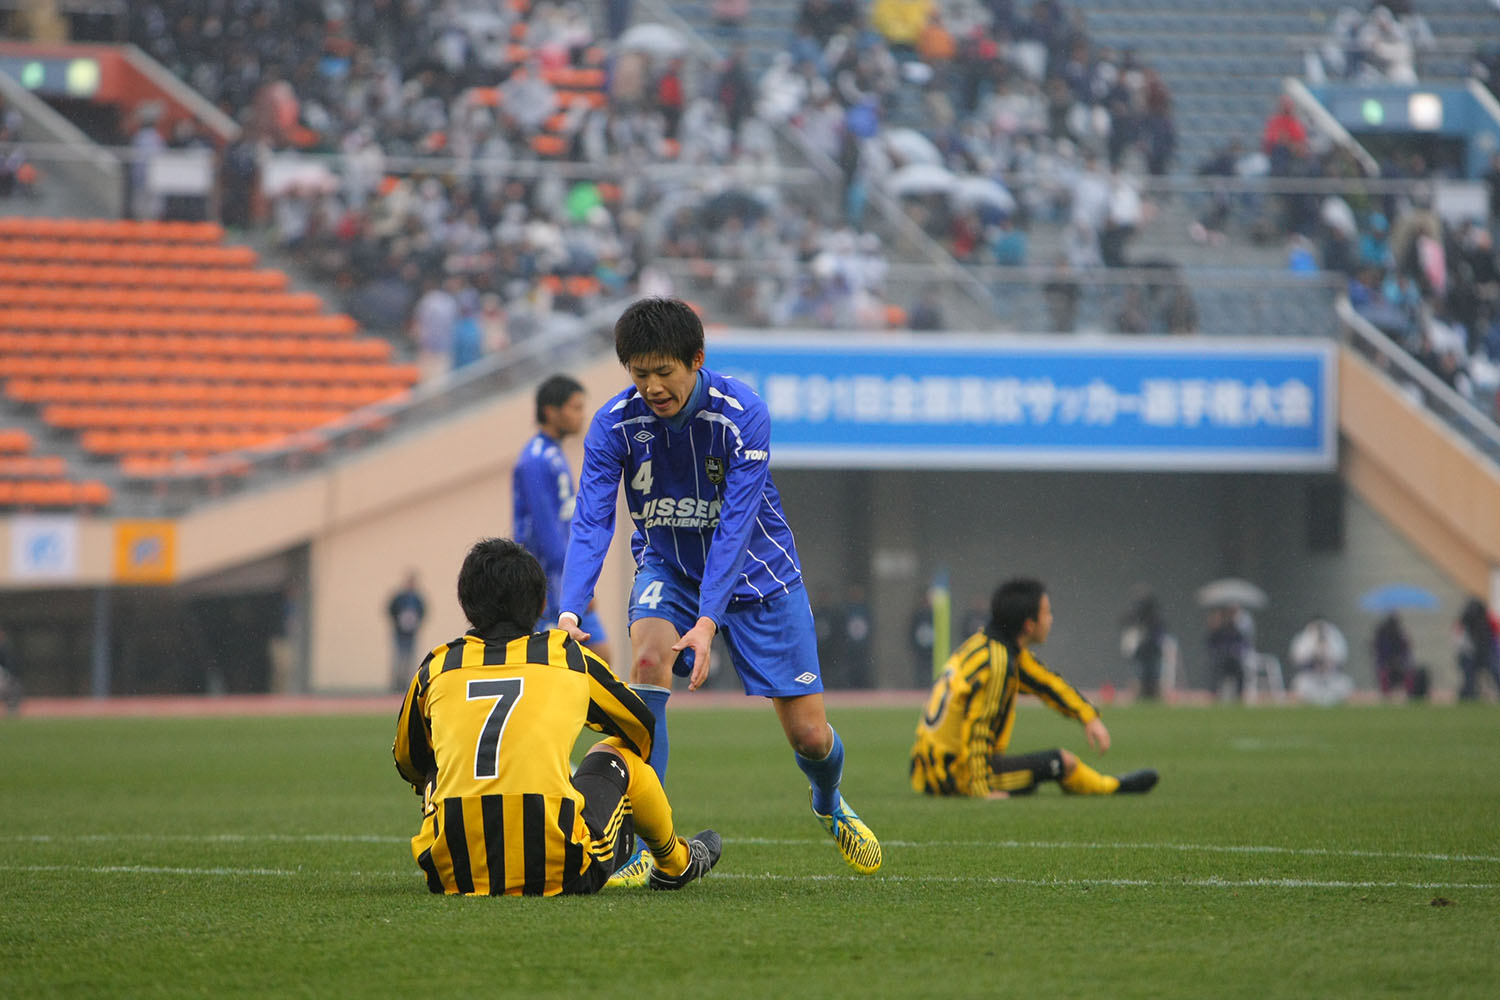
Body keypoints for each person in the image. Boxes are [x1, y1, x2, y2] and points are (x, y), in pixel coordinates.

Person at [557, 297, 882, 883]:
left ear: (696, 360)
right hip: (668, 567)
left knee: (809, 735)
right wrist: (569, 611)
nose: (652, 387)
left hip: (760, 576)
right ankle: (644, 849)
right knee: (649, 664)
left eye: (664, 372)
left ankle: (828, 800)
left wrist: (708, 622)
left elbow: (736, 524)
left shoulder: (743, 412)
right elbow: (592, 520)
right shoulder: (612, 424)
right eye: (639, 374)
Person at [392, 538, 720, 895]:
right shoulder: (566, 657)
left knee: (437, 765)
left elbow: (408, 762)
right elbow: (642, 727)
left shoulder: (436, 667)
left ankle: (467, 841)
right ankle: (675, 861)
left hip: (451, 872)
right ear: (541, 603)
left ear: (466, 604)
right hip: (561, 866)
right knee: (618, 755)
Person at [909, 578, 1159, 799]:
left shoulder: (988, 645)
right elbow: (979, 728)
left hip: (928, 768)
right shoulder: (998, 664)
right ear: (1029, 625)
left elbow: (1047, 682)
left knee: (1029, 772)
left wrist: (1088, 716)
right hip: (952, 775)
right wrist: (981, 790)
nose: (1051, 619)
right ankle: (1113, 788)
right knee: (1062, 762)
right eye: (1047, 613)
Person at [512, 374, 612, 664]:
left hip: (562, 578)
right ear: (551, 412)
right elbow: (546, 531)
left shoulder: (552, 454)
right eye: (575, 407)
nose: (582, 415)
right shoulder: (536, 459)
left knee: (601, 656)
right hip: (545, 583)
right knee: (554, 664)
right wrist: (576, 584)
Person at [1289, 617, 1353, 706]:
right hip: (1310, 676)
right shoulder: (1303, 637)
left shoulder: (1335, 636)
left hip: (1331, 677)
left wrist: (1327, 657)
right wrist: (1314, 656)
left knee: (1345, 684)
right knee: (1301, 685)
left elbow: (1341, 659)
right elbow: (1298, 659)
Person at [1119, 586, 1167, 700]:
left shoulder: (1148, 616)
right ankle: (1146, 696)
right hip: (1145, 651)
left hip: (1147, 651)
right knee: (1146, 676)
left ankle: (1148, 696)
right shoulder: (1145, 616)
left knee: (1148, 677)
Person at [387, 571, 427, 693]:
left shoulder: (417, 598)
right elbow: (390, 609)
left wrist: (417, 622)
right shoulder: (399, 597)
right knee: (399, 658)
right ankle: (396, 684)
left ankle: (408, 685)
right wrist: (397, 621)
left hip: (412, 634)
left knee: (410, 659)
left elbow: (423, 611)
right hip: (399, 633)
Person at [1455, 597, 1500, 701]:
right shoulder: (1466, 621)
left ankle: (1470, 693)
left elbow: (1495, 635)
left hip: (1483, 651)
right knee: (1471, 675)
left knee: (1491, 671)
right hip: (1473, 652)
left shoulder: (1487, 620)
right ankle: (1470, 693)